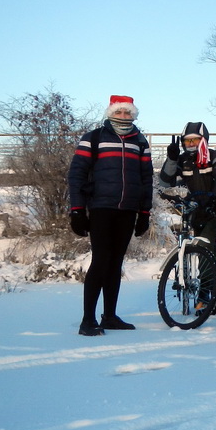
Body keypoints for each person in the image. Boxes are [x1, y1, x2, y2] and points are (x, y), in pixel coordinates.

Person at [67, 95, 153, 336]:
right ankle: (87, 320)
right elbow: (76, 175)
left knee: (115, 263)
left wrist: (144, 212)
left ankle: (110, 317)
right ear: (110, 113)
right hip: (101, 208)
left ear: (133, 114)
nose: (123, 116)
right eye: (119, 112)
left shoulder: (140, 141)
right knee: (101, 260)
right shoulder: (93, 138)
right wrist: (77, 210)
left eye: (127, 112)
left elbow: (146, 178)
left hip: (128, 210)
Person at [159, 121, 216, 315]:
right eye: (187, 140)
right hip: (197, 211)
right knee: (209, 251)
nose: (191, 143)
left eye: (195, 140)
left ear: (204, 140)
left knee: (203, 246)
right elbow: (164, 182)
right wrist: (171, 159)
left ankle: (205, 296)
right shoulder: (182, 160)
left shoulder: (215, 156)